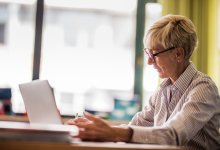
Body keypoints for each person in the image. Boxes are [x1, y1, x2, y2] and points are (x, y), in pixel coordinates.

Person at [68, 14, 220, 150]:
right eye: (147, 53)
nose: (148, 61)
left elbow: (172, 135)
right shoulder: (163, 90)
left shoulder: (203, 89)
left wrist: (112, 132)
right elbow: (134, 128)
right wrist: (97, 129)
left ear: (178, 54)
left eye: (154, 54)